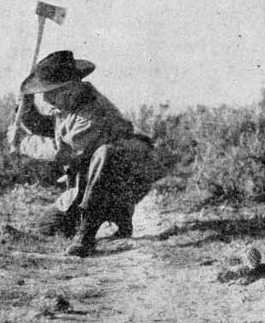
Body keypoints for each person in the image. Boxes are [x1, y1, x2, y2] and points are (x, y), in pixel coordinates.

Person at [8, 50, 156, 257]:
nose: (45, 97)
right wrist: (26, 111)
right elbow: (52, 130)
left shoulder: (92, 112)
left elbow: (65, 152)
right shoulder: (70, 106)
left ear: (69, 87)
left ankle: (87, 235)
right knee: (48, 227)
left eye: (49, 91)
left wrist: (24, 143)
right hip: (89, 183)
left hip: (127, 179)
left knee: (106, 155)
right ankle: (115, 214)